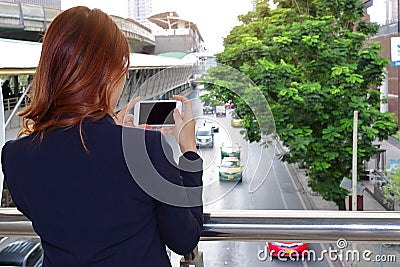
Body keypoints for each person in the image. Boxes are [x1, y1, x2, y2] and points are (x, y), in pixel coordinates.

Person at [1, 6, 203, 267]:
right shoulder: (145, 149)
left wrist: (110, 130)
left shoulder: (16, 156)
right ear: (109, 73)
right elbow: (184, 238)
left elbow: (68, 209)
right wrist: (189, 151)